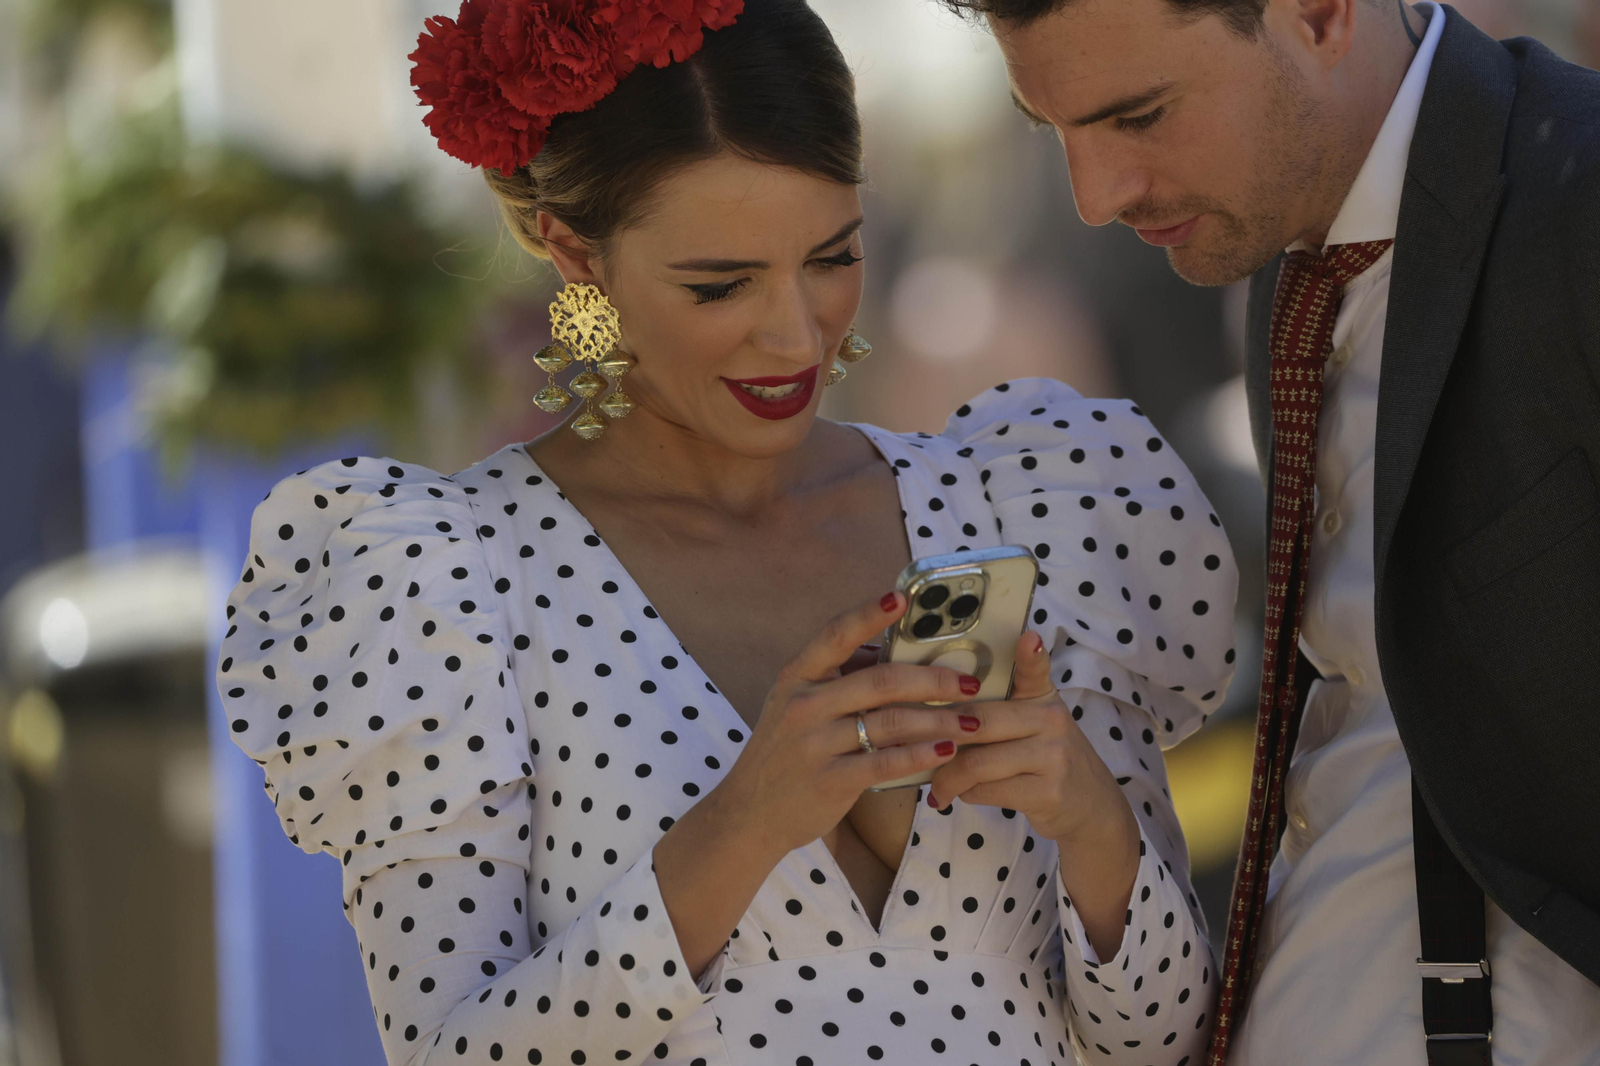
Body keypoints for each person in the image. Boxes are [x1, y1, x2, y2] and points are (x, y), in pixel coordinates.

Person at [215, 2, 1240, 1064]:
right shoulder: (446, 580)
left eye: (831, 257)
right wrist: (744, 822)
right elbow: (448, 1051)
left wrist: (1090, 821)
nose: (795, 333)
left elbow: (1160, 1040)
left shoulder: (1010, 503)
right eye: (720, 284)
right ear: (574, 254)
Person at [941, 0, 1600, 1062]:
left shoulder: (1575, 195)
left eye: (1140, 116)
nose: (1095, 196)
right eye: (1050, 131)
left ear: (1318, 12)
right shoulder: (1293, 260)